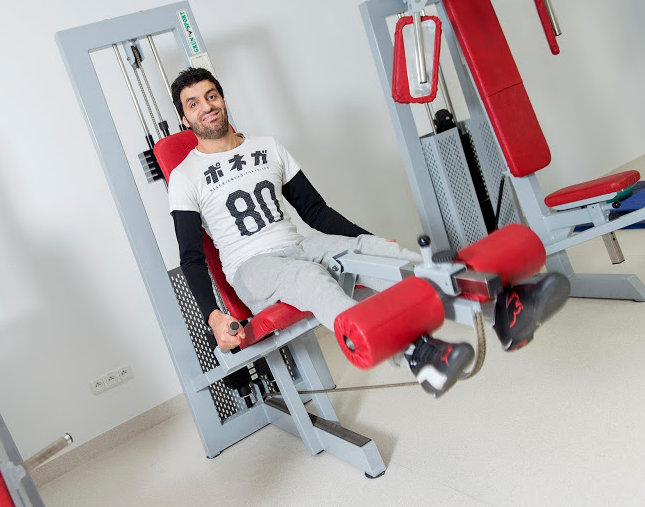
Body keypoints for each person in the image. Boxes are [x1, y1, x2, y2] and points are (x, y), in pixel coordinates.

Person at [167, 67, 568, 397]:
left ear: (223, 99)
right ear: (185, 119)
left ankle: (501, 310)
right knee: (310, 278)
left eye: (211, 96)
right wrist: (213, 316)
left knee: (378, 252)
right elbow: (192, 258)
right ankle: (417, 356)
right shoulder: (185, 176)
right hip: (253, 267)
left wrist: (369, 239)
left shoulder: (268, 146)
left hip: (300, 243)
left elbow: (315, 211)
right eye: (193, 103)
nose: (207, 106)